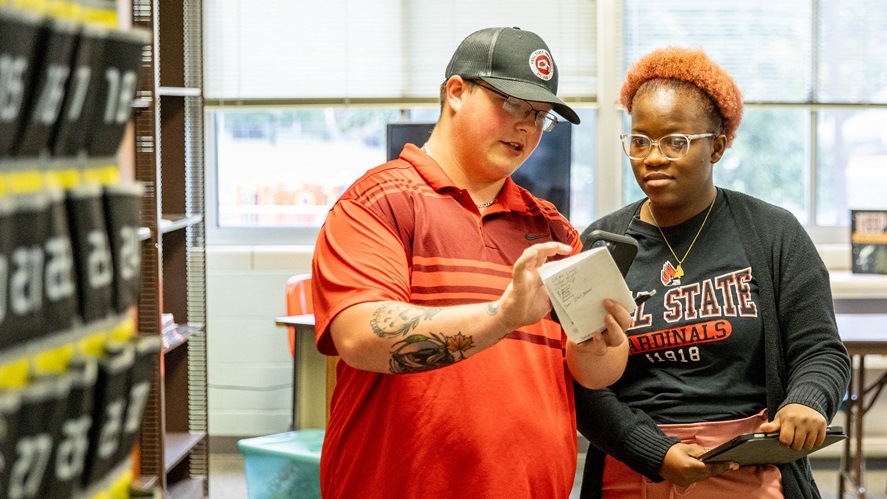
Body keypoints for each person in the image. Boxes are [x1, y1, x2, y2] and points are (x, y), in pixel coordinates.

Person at [310, 26, 631, 498]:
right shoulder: (378, 202)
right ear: (456, 92)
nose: (527, 126)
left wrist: (597, 344)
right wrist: (503, 316)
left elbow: (596, 373)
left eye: (540, 116)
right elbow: (360, 337)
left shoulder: (553, 230)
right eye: (513, 105)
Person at [575, 47, 851, 499]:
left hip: (752, 470)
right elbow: (581, 381)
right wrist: (654, 451)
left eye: (676, 142)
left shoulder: (773, 234)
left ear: (718, 146)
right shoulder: (602, 243)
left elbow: (820, 350)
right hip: (637, 468)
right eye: (640, 140)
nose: (653, 157)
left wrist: (807, 399)